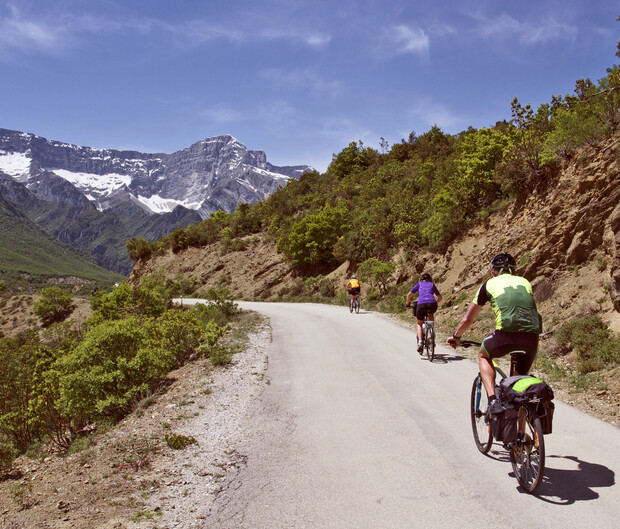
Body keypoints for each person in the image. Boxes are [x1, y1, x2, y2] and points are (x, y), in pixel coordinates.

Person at [446, 252, 543, 403]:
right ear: (514, 271)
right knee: (519, 390)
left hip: (505, 335)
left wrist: (456, 337)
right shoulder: (525, 282)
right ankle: (522, 426)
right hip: (532, 338)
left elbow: (467, 319)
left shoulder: (488, 284)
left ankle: (492, 400)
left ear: (494, 271)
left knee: (484, 355)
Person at [406, 273, 443, 352]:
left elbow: (409, 295)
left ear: (421, 279)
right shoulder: (432, 285)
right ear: (430, 279)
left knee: (419, 323)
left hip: (421, 304)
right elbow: (440, 297)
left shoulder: (419, 284)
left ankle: (420, 342)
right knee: (431, 315)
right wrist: (435, 303)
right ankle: (431, 336)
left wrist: (407, 304)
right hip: (432, 303)